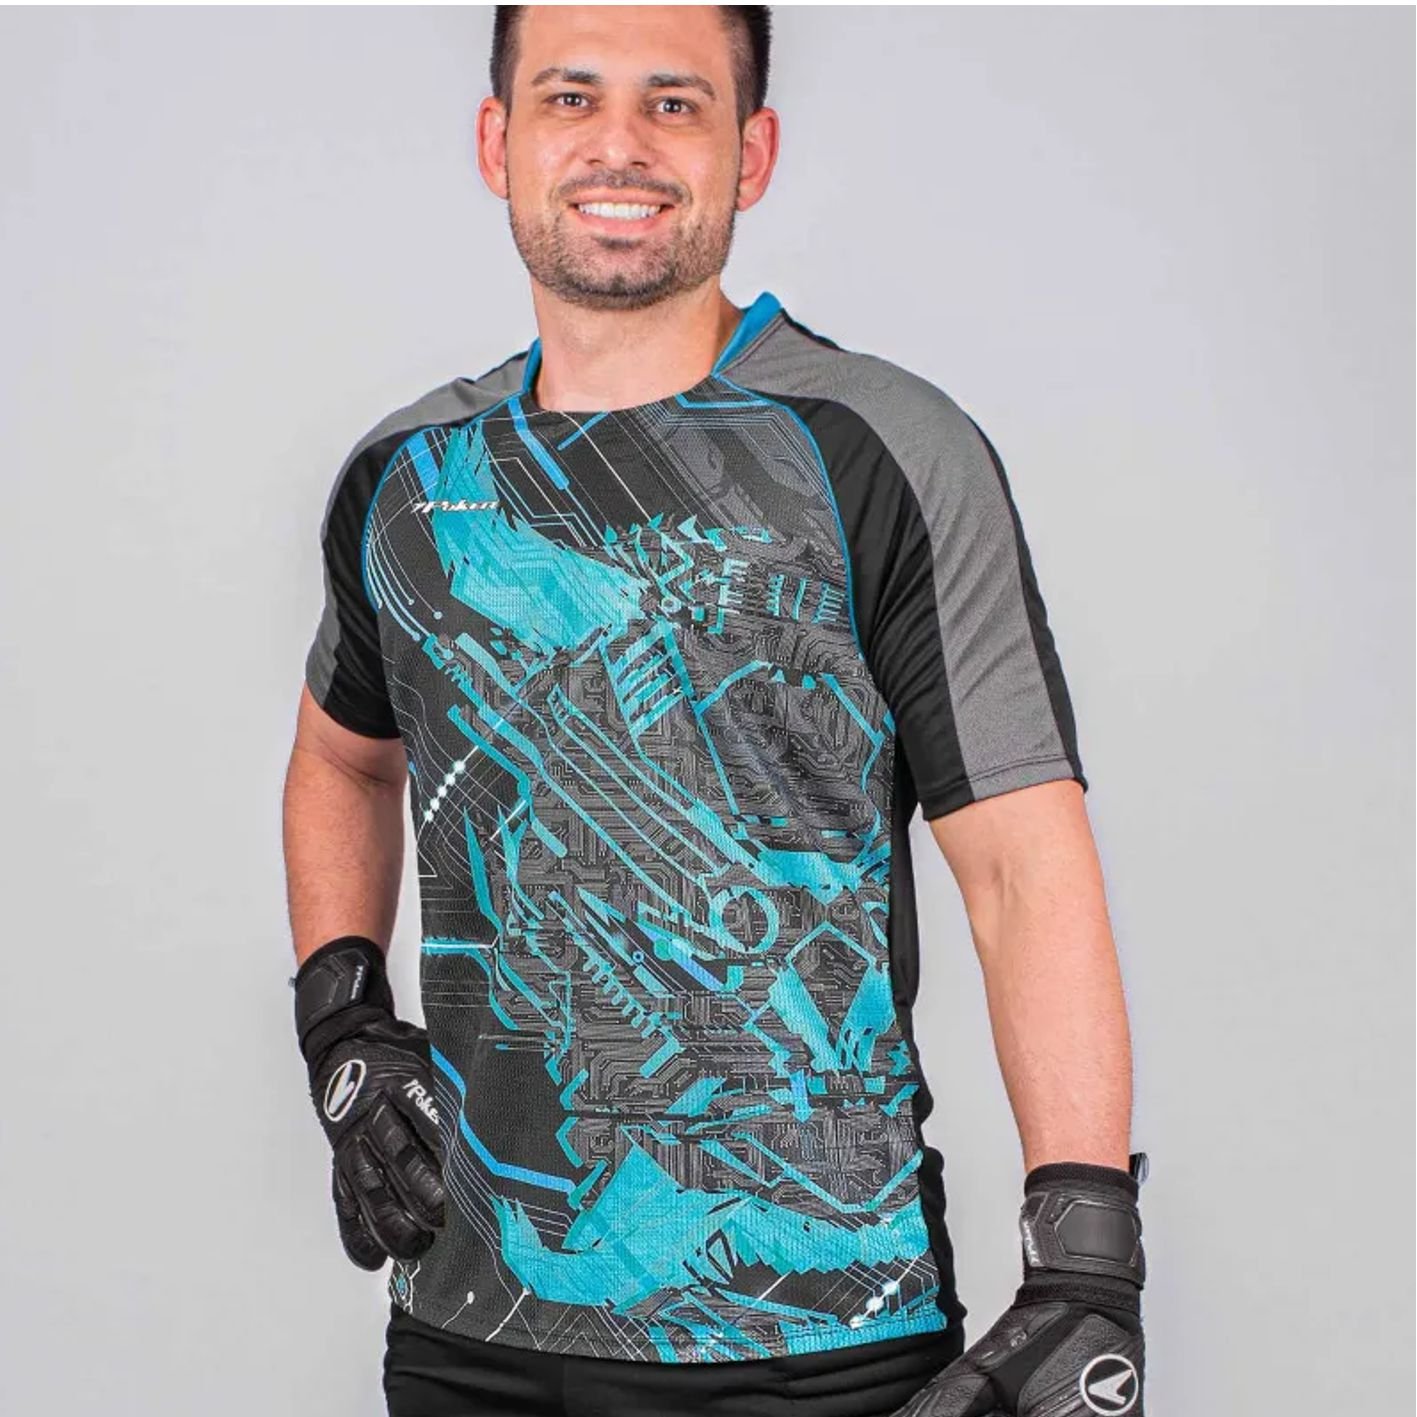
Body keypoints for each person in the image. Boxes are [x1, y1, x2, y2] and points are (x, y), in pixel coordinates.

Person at [282, 6, 1149, 1415]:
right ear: (500, 140)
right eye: (571, 98)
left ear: (753, 151)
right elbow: (342, 762)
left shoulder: (880, 446)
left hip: (811, 1332)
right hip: (466, 1319)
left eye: (674, 103)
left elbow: (1020, 865)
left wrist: (1086, 1266)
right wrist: (342, 1021)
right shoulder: (409, 476)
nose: (618, 144)